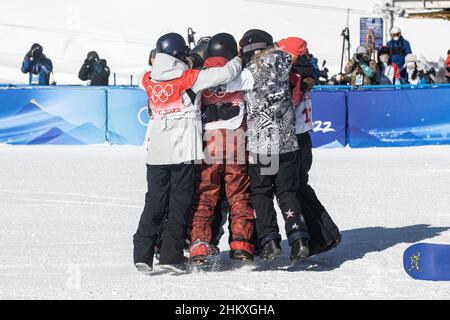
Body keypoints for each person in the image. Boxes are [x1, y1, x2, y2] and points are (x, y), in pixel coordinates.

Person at [133, 32, 242, 274]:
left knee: (154, 203)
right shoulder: (190, 78)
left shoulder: (147, 79)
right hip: (182, 153)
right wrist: (238, 58)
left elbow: (154, 69)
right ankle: (171, 255)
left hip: (156, 155)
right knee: (178, 205)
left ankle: (142, 253)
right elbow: (226, 73)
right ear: (180, 55)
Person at [225, 29, 310, 263]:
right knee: (287, 193)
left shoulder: (250, 73)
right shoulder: (286, 65)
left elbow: (225, 85)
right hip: (288, 142)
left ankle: (270, 240)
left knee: (261, 192)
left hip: (263, 144)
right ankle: (299, 238)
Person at [189, 33, 255, 264]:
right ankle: (241, 243)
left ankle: (199, 243)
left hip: (210, 140)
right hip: (236, 135)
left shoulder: (200, 76)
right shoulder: (241, 73)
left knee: (206, 192)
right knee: (238, 192)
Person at [277, 37, 342, 256]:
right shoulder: (307, 70)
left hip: (292, 138)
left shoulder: (291, 74)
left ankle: (317, 236)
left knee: (290, 190)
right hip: (303, 138)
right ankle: (325, 234)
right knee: (300, 188)